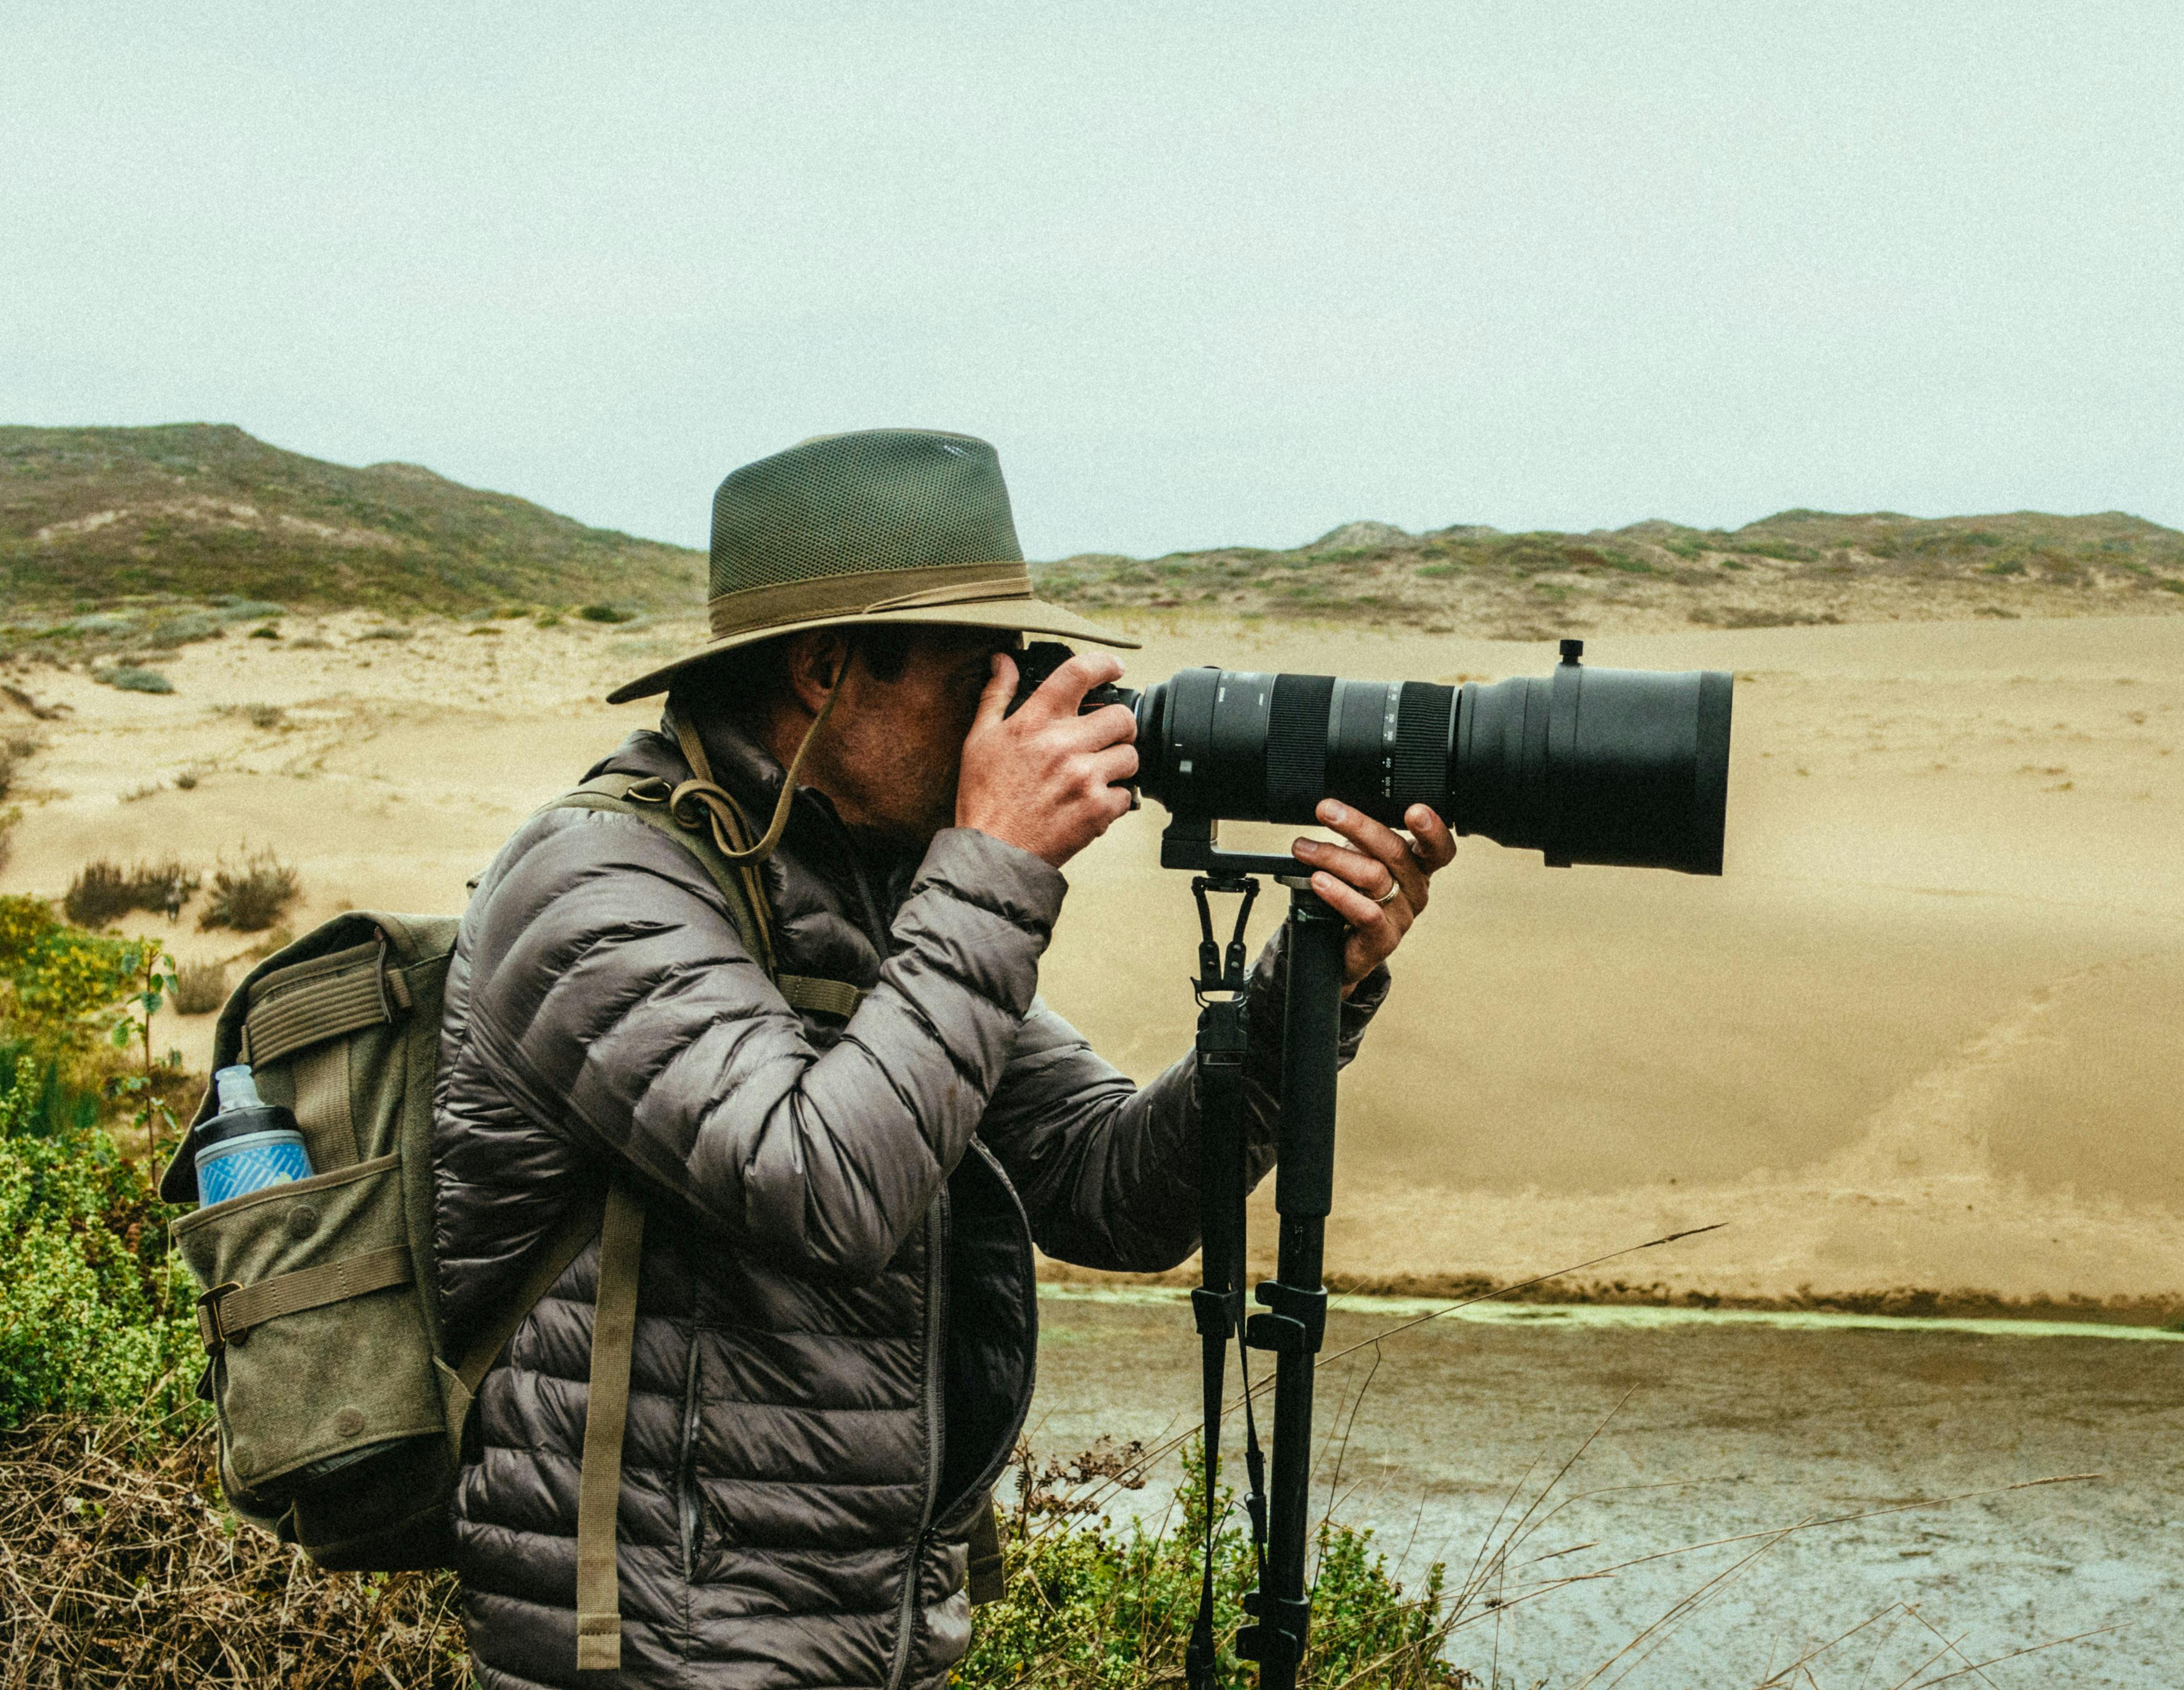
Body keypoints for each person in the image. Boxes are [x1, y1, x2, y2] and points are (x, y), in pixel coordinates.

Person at [430, 429, 1454, 1690]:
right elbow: (820, 1186)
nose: (1015, 710)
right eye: (985, 673)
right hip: (650, 1657)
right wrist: (997, 868)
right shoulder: (594, 885)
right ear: (821, 667)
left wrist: (1308, 994)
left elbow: (1109, 1188)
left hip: (881, 1651)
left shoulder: (877, 886)